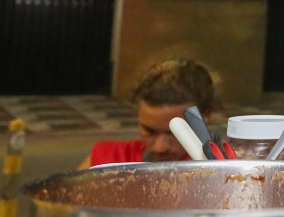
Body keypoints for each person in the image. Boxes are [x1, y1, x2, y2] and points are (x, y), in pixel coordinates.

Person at [78, 58, 216, 168]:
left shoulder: (221, 173)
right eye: (149, 131)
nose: (160, 147)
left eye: (176, 133)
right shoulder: (107, 160)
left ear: (204, 117)